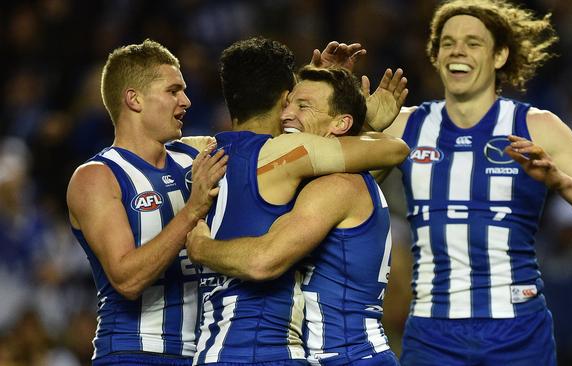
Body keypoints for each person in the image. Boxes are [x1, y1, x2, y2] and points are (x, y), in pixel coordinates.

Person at [358, 0, 572, 365]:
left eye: (473, 42)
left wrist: (561, 181)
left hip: (517, 332)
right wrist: (366, 131)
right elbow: (343, 196)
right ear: (436, 55)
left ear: (500, 55)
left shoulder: (538, 126)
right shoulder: (404, 126)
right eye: (447, 42)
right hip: (432, 332)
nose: (458, 50)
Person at [185, 37, 409, 365]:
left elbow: (263, 260)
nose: (288, 114)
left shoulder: (338, 185)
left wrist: (201, 247)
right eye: (289, 102)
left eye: (302, 106)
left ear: (341, 123)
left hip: (353, 358)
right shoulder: (317, 182)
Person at [66, 39, 227, 366]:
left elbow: (264, 151)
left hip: (206, 354)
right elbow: (127, 279)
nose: (186, 100)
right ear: (134, 99)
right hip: (136, 354)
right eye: (173, 91)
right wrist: (192, 210)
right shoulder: (97, 176)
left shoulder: (193, 158)